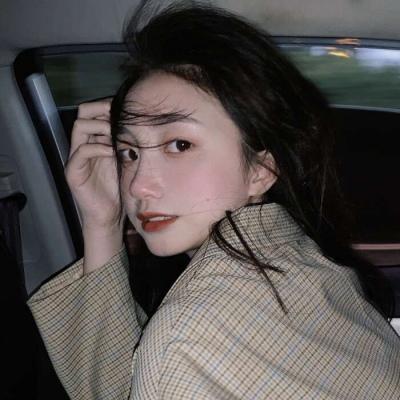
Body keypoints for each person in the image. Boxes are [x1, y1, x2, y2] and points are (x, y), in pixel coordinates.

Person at [28, 2, 400, 399]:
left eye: (179, 145)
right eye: (129, 152)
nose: (138, 186)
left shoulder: (185, 340)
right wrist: (102, 222)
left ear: (261, 170)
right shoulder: (307, 267)